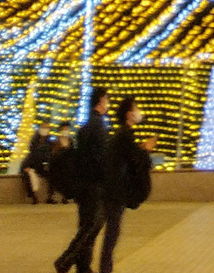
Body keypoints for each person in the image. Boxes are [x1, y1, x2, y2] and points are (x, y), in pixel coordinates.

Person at [98, 96, 157, 273]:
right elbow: (134, 160)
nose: (139, 111)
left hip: (114, 191)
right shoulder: (124, 134)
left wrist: (142, 148)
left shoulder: (123, 134)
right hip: (115, 192)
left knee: (110, 231)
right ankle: (104, 268)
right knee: (111, 232)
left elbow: (130, 154)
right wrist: (145, 149)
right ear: (129, 114)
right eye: (136, 108)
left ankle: (104, 267)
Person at [55, 88, 111, 273]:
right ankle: (66, 260)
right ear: (101, 101)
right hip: (94, 184)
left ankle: (83, 266)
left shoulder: (86, 127)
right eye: (107, 100)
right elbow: (100, 158)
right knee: (93, 225)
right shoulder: (99, 126)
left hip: (83, 184)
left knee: (86, 224)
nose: (108, 104)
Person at [20, 122, 52, 204]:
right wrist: (27, 166)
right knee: (29, 175)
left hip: (42, 165)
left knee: (53, 174)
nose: (46, 130)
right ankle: (33, 197)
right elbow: (32, 154)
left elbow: (49, 154)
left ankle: (50, 197)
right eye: (44, 127)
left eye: (47, 128)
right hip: (33, 164)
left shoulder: (49, 142)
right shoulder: (35, 140)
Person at [47, 122, 75, 205]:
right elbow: (53, 154)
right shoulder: (56, 142)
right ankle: (53, 196)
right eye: (64, 129)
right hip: (58, 165)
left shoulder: (71, 141)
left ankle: (66, 197)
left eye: (67, 129)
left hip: (68, 165)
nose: (66, 131)